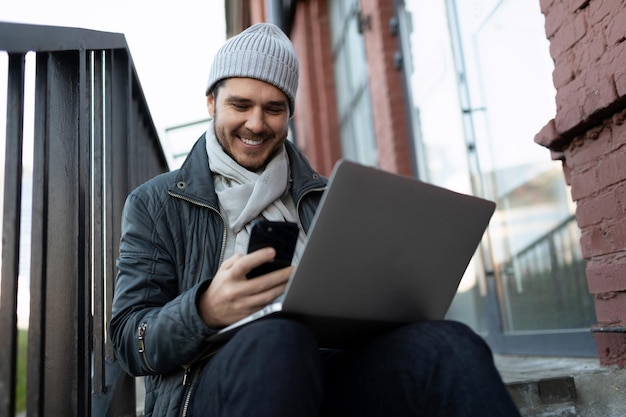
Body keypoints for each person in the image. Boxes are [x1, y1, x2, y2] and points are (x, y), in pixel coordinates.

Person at [110, 22, 521, 417]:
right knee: (278, 340)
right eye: (241, 105)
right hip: (218, 383)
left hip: (332, 371)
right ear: (211, 102)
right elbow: (130, 341)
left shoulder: (332, 198)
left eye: (273, 109)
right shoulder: (156, 203)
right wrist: (205, 309)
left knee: (449, 344)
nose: (256, 123)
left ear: (289, 114)